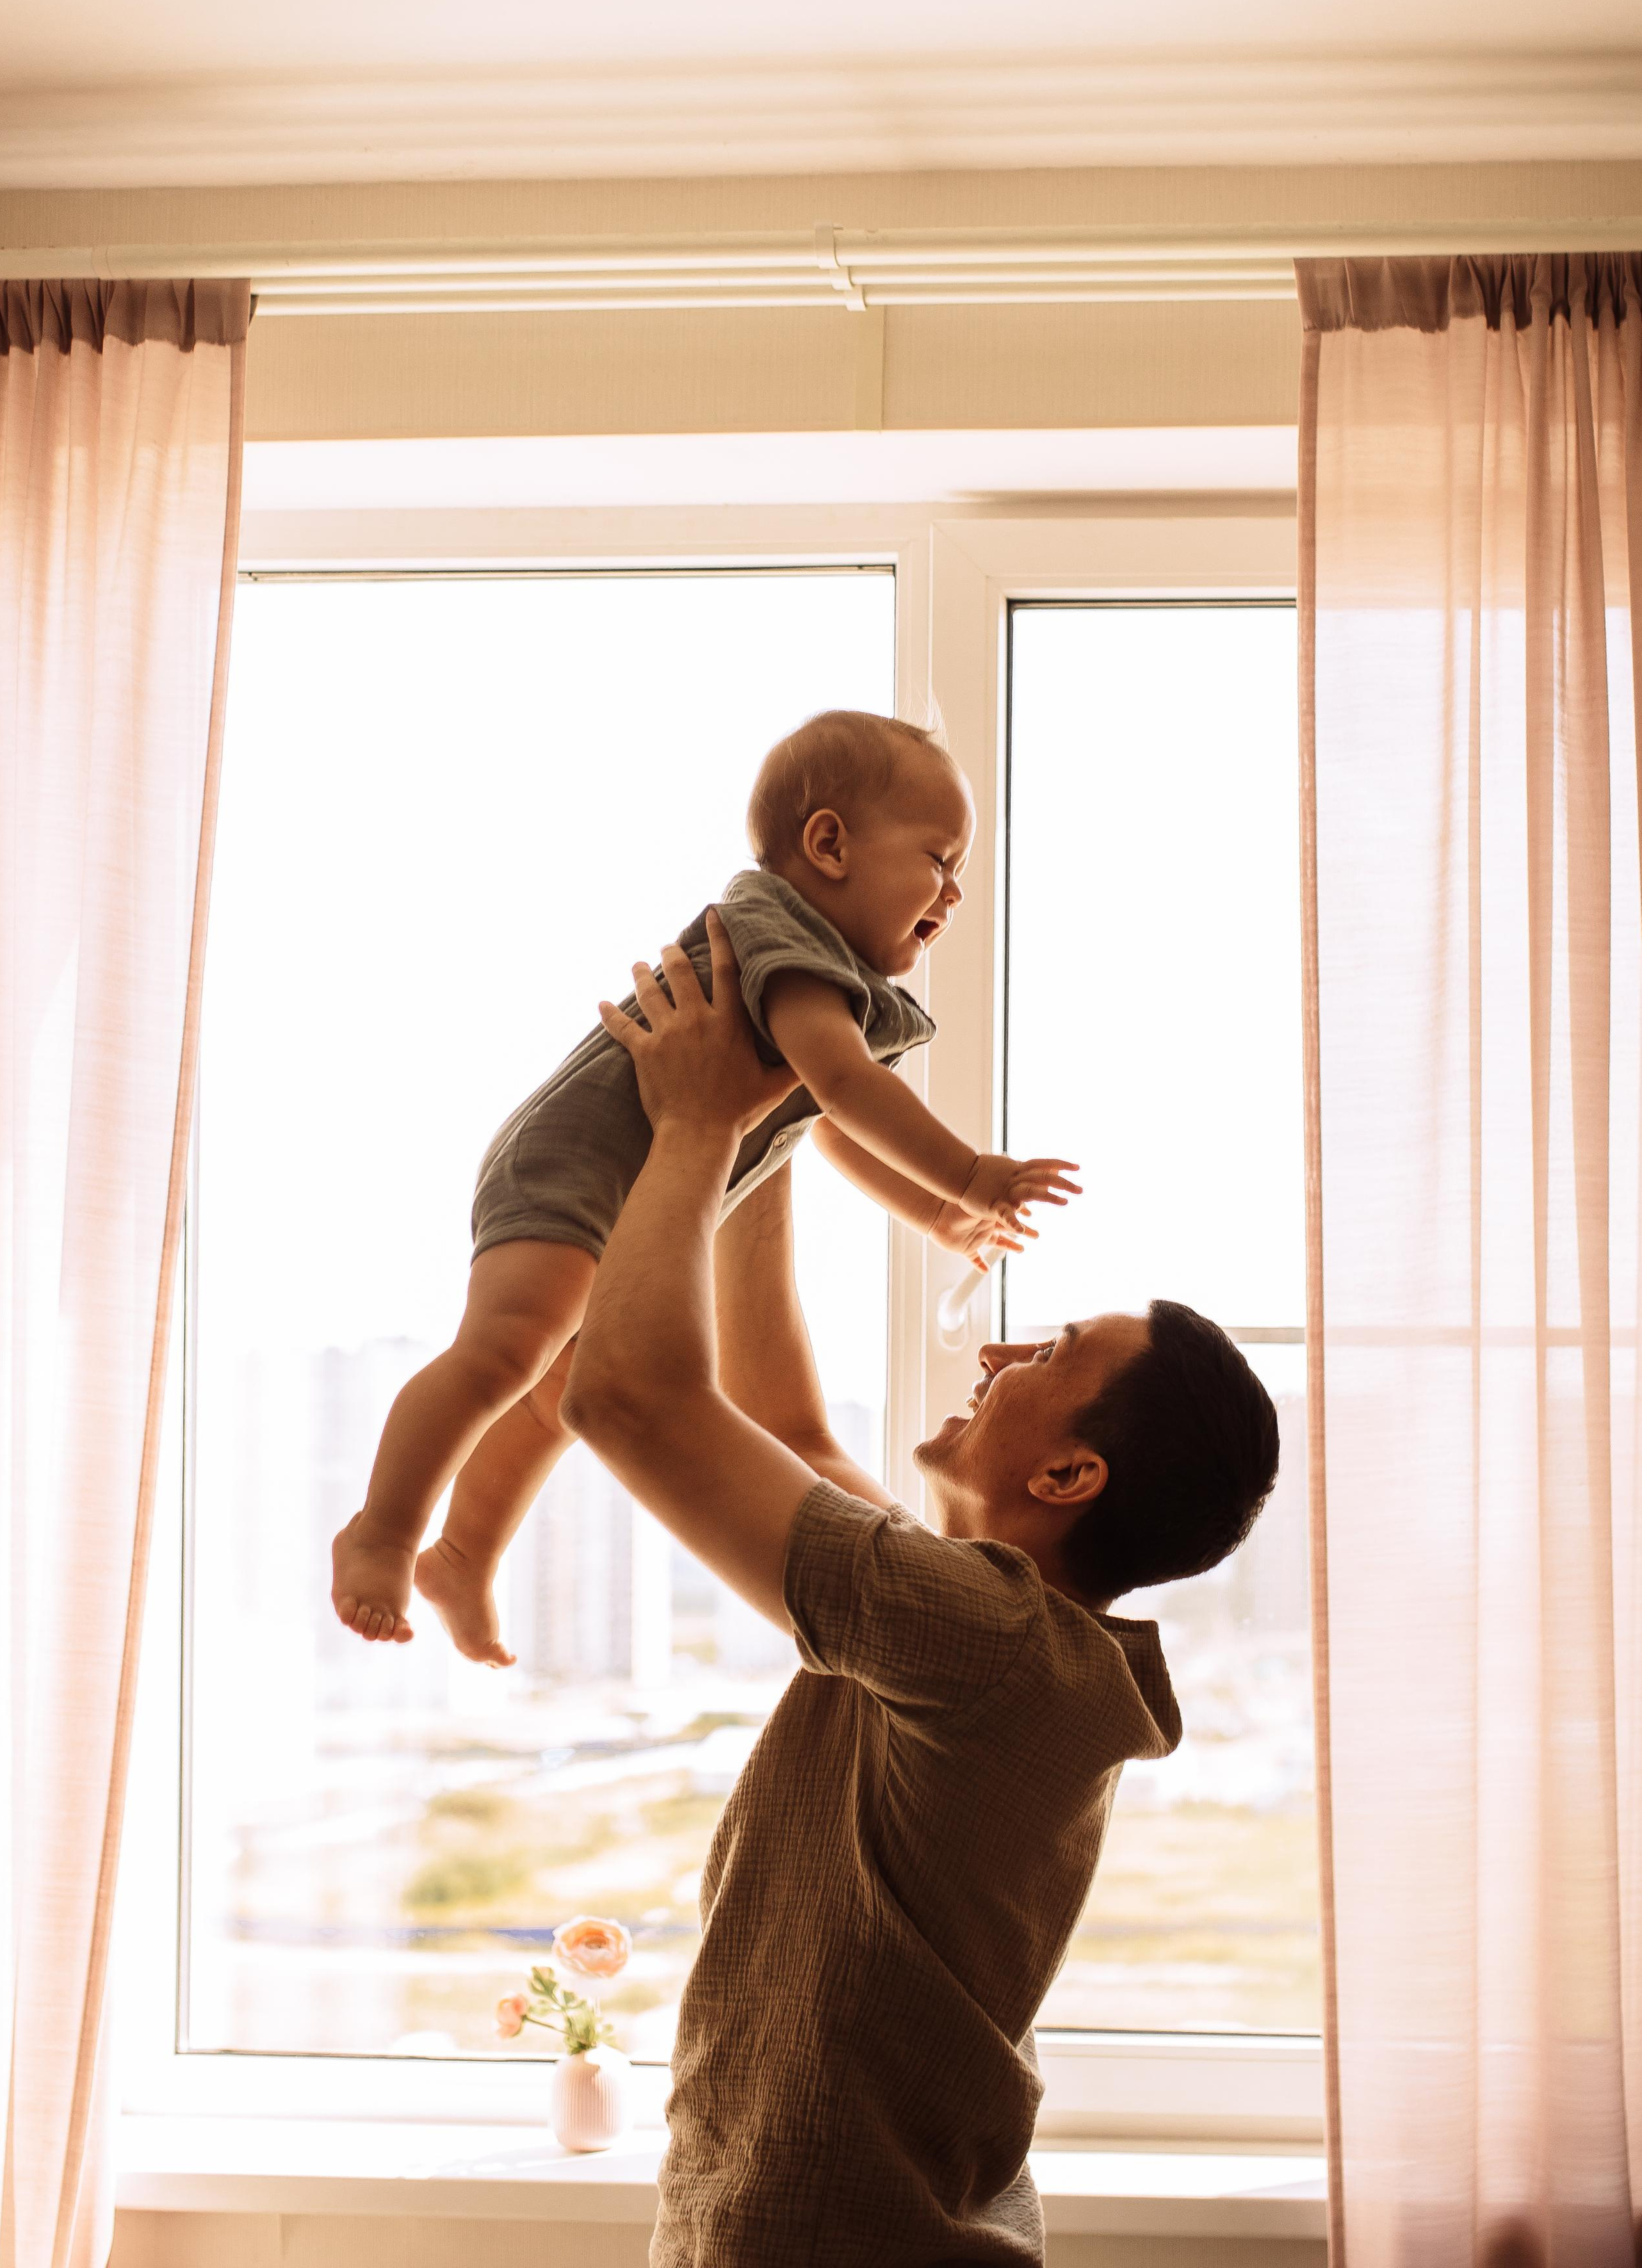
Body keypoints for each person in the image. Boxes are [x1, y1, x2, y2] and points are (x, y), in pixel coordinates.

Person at [563, 915, 1281, 2268]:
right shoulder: (995, 1637)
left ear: (1069, 1472)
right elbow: (789, 1427)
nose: (998, 1343)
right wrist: (766, 1115)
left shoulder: (987, 1646)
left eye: (1050, 1350)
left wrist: (694, 1127)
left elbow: (629, 1399)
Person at [332, 710, 1078, 1658]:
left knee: (556, 1384)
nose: (956, 892)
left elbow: (816, 1117)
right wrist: (972, 1176)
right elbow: (849, 1090)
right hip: (573, 1165)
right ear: (829, 844)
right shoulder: (780, 931)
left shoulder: (820, 977)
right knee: (504, 1354)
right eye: (939, 858)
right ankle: (383, 1533)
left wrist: (937, 1215)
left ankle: (464, 1555)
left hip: (627, 1195)